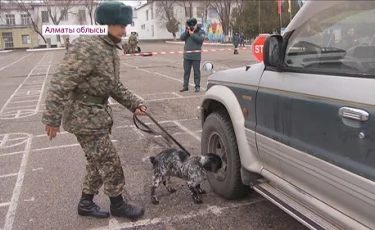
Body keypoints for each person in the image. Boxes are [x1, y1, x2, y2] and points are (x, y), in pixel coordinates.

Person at [41, 1, 146, 220]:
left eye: (126, 25)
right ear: (106, 23)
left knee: (96, 161)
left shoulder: (108, 47)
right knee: (109, 161)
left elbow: (112, 85)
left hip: (97, 115)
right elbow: (61, 81)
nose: (124, 30)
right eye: (120, 25)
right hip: (84, 117)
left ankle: (85, 203)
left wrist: (134, 103)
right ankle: (118, 204)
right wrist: (52, 117)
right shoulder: (87, 46)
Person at [179, 18, 205, 93]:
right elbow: (181, 38)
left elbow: (200, 40)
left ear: (196, 25)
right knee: (186, 72)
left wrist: (192, 34)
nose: (192, 27)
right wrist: (187, 32)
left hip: (196, 56)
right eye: (190, 26)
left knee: (196, 72)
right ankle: (185, 86)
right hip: (187, 56)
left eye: (193, 26)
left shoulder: (201, 32)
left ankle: (197, 86)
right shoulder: (187, 32)